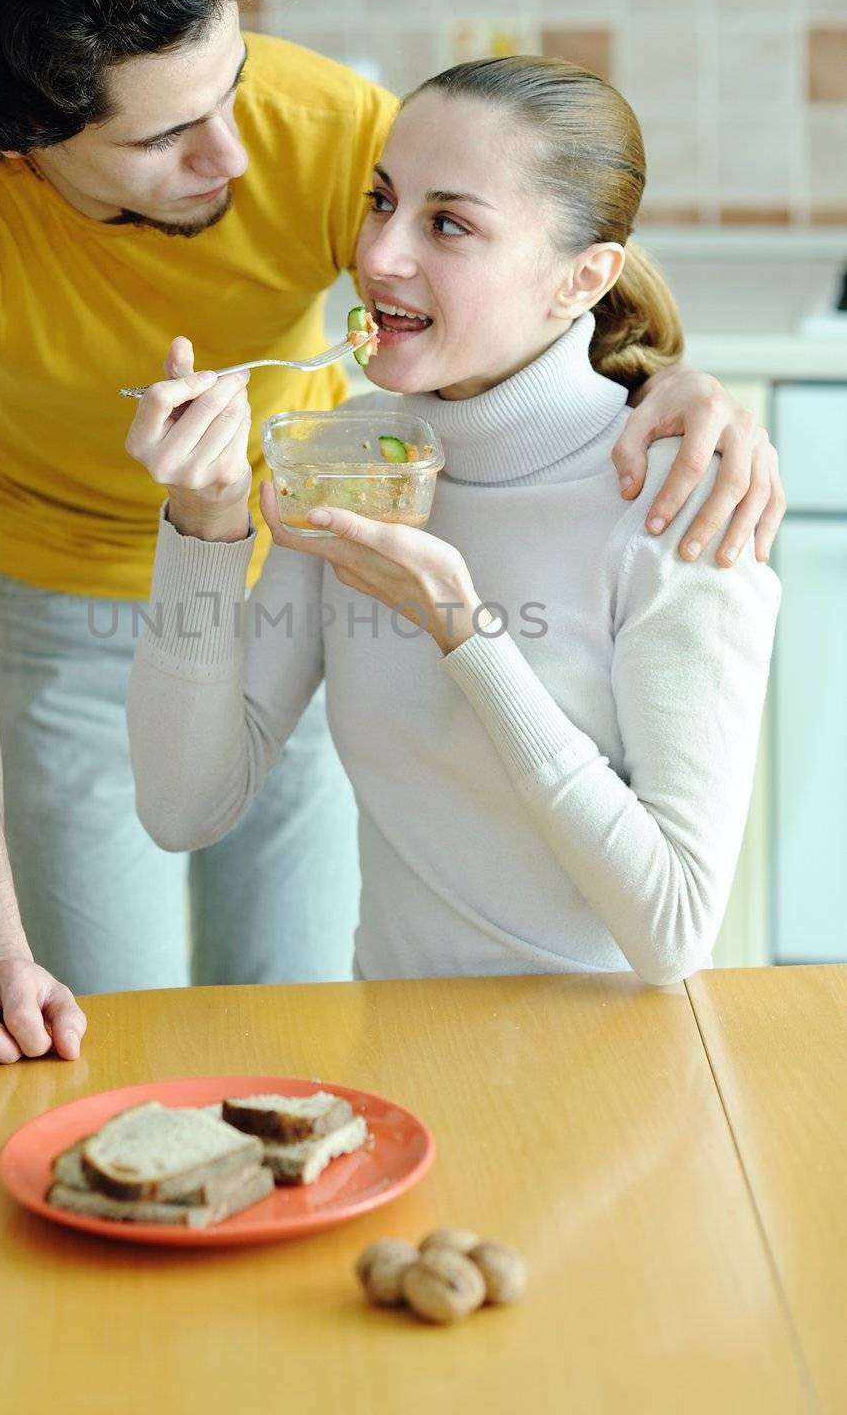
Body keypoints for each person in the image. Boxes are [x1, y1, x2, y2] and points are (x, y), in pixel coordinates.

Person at [0, 0, 782, 1066]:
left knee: (277, 1028)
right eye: (160, 141)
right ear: (28, 141)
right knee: (105, 1042)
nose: (233, 155)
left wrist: (680, 380)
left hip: (314, 552)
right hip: (76, 591)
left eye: (229, 90)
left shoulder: (319, 132)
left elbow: (532, 238)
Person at [126, 55, 781, 985]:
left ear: (581, 279)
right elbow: (183, 807)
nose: (381, 256)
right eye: (381, 201)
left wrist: (462, 633)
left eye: (448, 224)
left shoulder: (680, 500)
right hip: (395, 1049)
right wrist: (202, 527)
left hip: (610, 1071)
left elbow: (671, 932)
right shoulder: (352, 460)